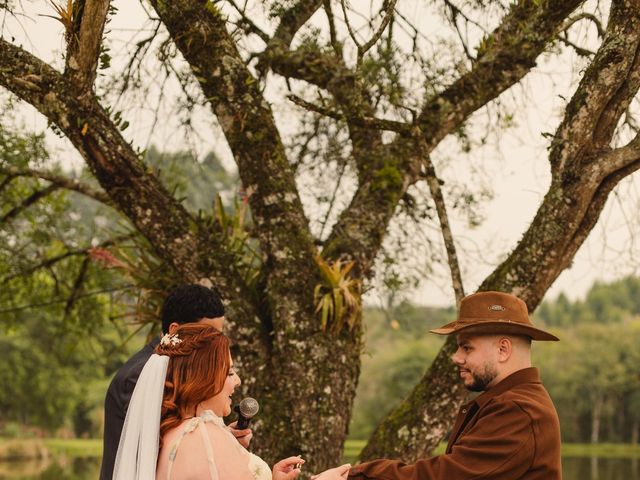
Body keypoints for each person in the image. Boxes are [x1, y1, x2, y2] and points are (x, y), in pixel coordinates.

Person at [344, 291, 562, 480]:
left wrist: (354, 476)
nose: (456, 357)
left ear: (503, 350)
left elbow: (445, 476)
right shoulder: (510, 402)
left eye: (467, 348)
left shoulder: (518, 410)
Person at [114, 323, 351, 479]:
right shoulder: (204, 435)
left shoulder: (168, 434)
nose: (236, 381)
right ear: (203, 379)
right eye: (229, 373)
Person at [100, 284, 250, 480]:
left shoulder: (184, 372)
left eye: (219, 334)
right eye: (207, 332)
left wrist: (219, 439)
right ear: (175, 330)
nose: (215, 341)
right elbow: (159, 450)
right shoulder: (141, 375)